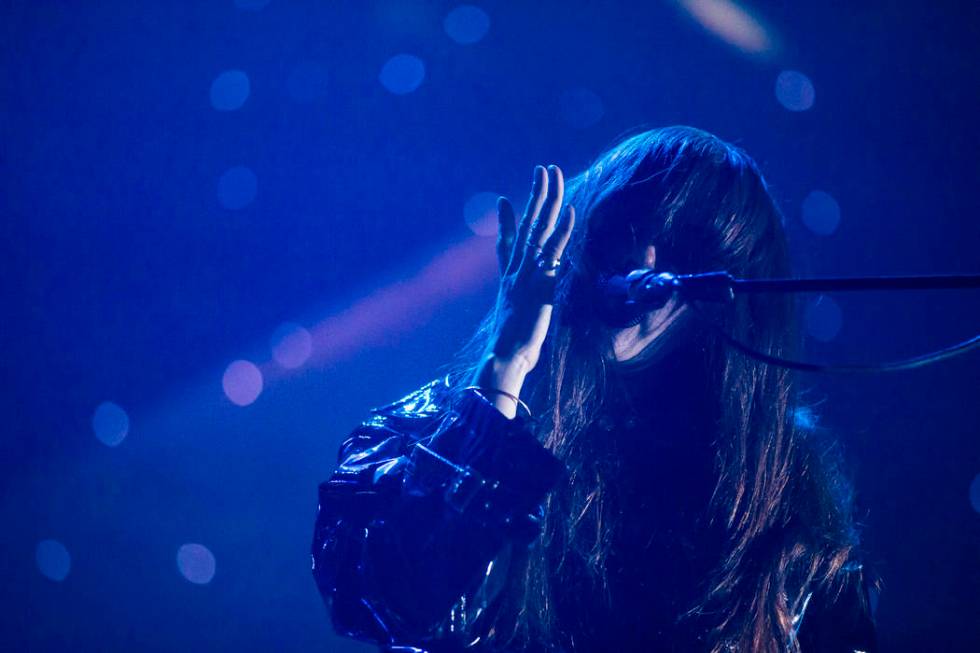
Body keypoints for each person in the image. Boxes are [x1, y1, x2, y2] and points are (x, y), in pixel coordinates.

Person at [311, 126, 878, 652]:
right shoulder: (429, 428)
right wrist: (505, 367)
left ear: (719, 297)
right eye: (628, 227)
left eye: (684, 245)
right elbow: (394, 602)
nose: (644, 259)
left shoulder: (782, 486)